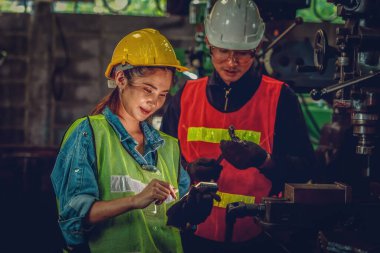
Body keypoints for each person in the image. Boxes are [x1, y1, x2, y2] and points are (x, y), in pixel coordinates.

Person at [160, 0, 317, 252]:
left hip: (258, 239)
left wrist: (264, 160)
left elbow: (305, 169)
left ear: (257, 48)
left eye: (242, 53)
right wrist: (187, 172)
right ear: (209, 45)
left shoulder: (280, 98)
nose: (231, 62)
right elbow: (158, 166)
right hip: (191, 236)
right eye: (223, 50)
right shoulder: (186, 96)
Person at [51, 28, 217, 253]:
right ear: (121, 79)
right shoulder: (88, 133)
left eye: (162, 94)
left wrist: (191, 211)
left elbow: (174, 222)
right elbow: (73, 220)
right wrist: (136, 200)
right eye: (147, 89)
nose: (154, 102)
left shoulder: (169, 146)